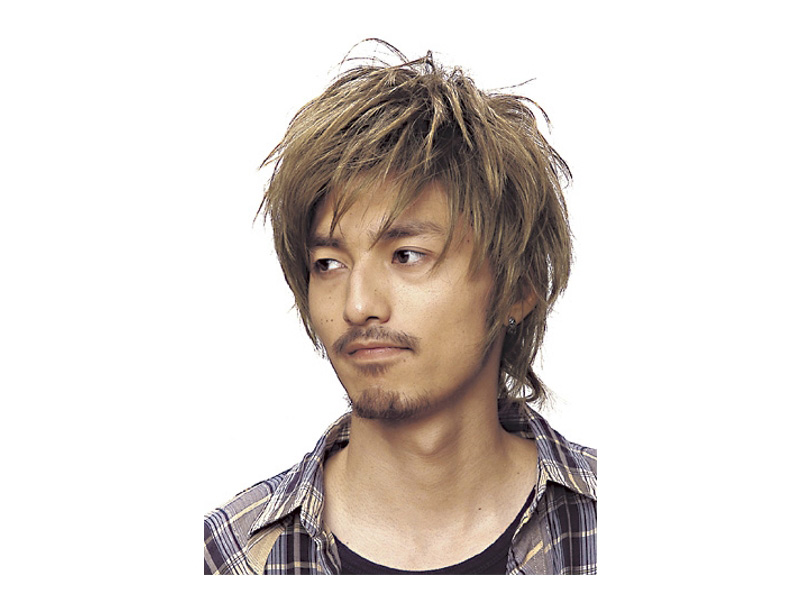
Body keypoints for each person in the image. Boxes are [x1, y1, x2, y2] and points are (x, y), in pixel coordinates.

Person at [203, 41, 597, 575]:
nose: (358, 305)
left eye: (406, 255)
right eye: (328, 264)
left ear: (518, 286)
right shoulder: (228, 558)